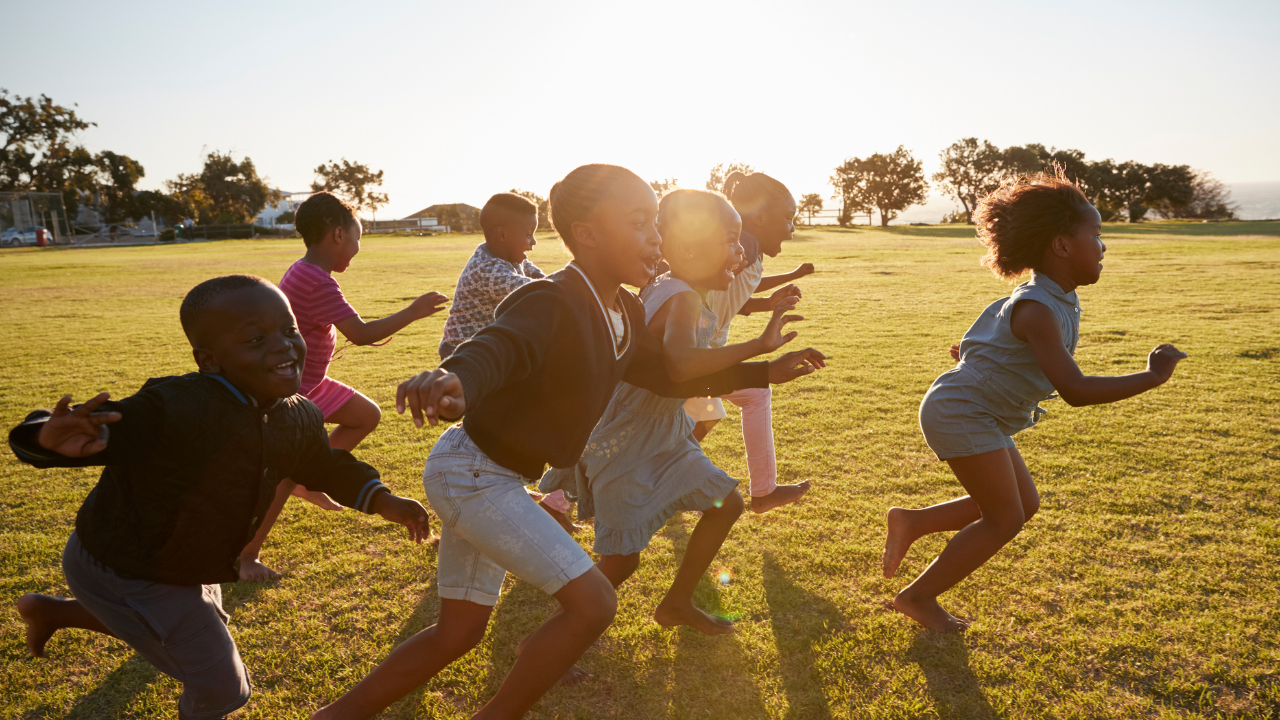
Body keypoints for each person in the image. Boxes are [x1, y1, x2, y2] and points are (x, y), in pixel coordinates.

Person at [310, 164, 826, 720]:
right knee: (594, 602)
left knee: (457, 633)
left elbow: (673, 377)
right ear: (587, 234)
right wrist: (458, 378)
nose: (655, 236)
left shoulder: (623, 310)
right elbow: (501, 345)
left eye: (655, 222)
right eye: (638, 223)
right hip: (474, 474)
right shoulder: (553, 297)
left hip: (485, 475)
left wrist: (766, 372)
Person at [12, 275, 432, 720]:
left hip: (183, 562)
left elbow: (323, 466)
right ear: (209, 359)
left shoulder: (299, 414)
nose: (283, 346)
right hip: (124, 564)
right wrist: (44, 436)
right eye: (256, 338)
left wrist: (382, 499)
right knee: (221, 685)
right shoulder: (174, 407)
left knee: (192, 630)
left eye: (289, 330)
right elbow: (104, 429)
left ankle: (52, 613)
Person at [881, 169, 1188, 633]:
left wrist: (974, 356)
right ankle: (917, 597)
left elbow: (987, 339)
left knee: (1023, 503)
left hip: (975, 407)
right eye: (1097, 234)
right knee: (1004, 517)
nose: (1103, 246)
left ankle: (912, 522)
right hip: (963, 411)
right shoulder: (1038, 306)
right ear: (1062, 246)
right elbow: (1076, 390)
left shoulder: (1052, 297)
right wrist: (1151, 376)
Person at [540, 189, 821, 641]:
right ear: (690, 247)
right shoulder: (682, 297)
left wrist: (765, 369)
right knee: (621, 561)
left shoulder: (678, 290)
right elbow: (682, 366)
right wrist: (760, 349)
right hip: (629, 439)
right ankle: (547, 636)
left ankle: (676, 602)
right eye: (731, 241)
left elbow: (683, 378)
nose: (739, 253)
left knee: (726, 503)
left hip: (666, 432)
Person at [237, 192, 448, 580]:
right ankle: (247, 556)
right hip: (295, 391)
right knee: (281, 482)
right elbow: (363, 334)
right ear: (337, 235)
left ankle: (310, 474)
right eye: (356, 239)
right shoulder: (316, 281)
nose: (356, 249)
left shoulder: (307, 272)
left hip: (311, 381)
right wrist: (414, 311)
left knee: (365, 414)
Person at [436, 192, 580, 533]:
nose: (532, 243)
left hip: (497, 358)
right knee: (482, 437)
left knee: (506, 425)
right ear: (502, 235)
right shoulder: (488, 270)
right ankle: (467, 505)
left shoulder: (511, 259)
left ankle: (518, 493)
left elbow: (547, 280)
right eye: (528, 234)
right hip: (466, 358)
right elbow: (543, 293)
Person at [685, 170, 816, 513]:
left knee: (701, 420)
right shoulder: (748, 241)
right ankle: (757, 491)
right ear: (759, 216)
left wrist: (776, 296)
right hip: (694, 355)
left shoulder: (746, 252)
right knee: (747, 397)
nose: (792, 228)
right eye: (788, 218)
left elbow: (741, 294)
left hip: (703, 352)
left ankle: (671, 474)